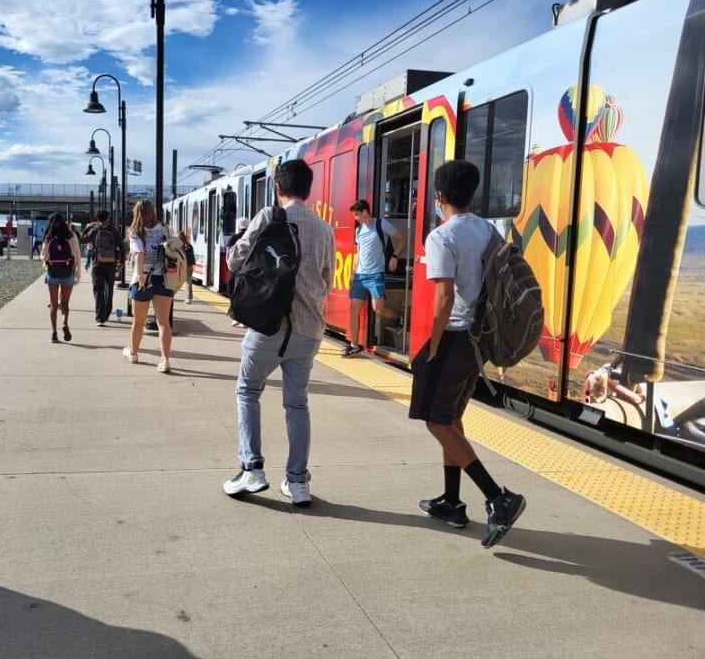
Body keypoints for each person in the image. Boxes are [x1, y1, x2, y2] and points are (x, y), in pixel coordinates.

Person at [411, 159, 526, 548]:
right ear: (472, 194)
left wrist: (435, 343)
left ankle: (498, 497)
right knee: (451, 417)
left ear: (438, 196)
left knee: (435, 420)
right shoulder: (486, 229)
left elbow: (443, 298)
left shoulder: (441, 237)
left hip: (457, 335)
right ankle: (451, 502)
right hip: (481, 337)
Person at [222, 159, 334, 506]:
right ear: (309, 190)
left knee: (247, 391)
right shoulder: (324, 228)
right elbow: (327, 279)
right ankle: (297, 482)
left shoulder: (269, 216)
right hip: (309, 328)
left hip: (269, 324)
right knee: (297, 404)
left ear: (279, 188)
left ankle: (252, 470)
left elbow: (234, 261)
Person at [343, 199, 407, 357]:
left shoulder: (381, 224)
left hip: (375, 275)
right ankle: (354, 345)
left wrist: (395, 256)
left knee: (378, 309)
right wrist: (353, 274)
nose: (355, 218)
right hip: (360, 275)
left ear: (365, 212)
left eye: (356, 215)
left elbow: (402, 239)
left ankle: (399, 317)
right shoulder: (358, 231)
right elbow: (359, 253)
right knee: (353, 310)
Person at [124, 199, 175, 373]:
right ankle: (165, 360)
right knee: (163, 323)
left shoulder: (135, 231)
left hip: (144, 281)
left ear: (136, 213)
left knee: (138, 322)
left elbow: (139, 254)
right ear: (153, 211)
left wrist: (139, 276)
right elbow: (174, 248)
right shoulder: (166, 229)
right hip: (164, 280)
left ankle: (134, 353)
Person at [41, 212, 81, 343]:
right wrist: (77, 274)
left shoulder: (49, 236)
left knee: (53, 305)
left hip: (53, 274)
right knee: (65, 304)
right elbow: (77, 256)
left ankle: (54, 333)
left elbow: (43, 256)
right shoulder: (71, 236)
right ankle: (64, 322)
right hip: (67, 273)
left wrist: (47, 261)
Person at [84, 210, 123, 325]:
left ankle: (100, 317)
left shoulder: (95, 230)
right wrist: (121, 263)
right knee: (109, 288)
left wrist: (88, 227)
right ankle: (106, 312)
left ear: (97, 219)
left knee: (98, 289)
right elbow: (121, 246)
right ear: (108, 218)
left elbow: (82, 239)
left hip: (98, 263)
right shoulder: (113, 230)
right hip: (111, 263)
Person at [226, 216, 249, 326]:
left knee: (233, 291)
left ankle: (236, 316)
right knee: (244, 293)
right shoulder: (252, 237)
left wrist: (229, 266)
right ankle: (244, 318)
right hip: (247, 269)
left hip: (234, 269)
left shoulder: (233, 238)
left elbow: (228, 254)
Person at [178, 230, 196, 304]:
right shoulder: (189, 245)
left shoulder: (180, 246)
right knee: (189, 282)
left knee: (183, 282)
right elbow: (192, 256)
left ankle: (188, 298)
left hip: (183, 266)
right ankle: (189, 297)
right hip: (190, 266)